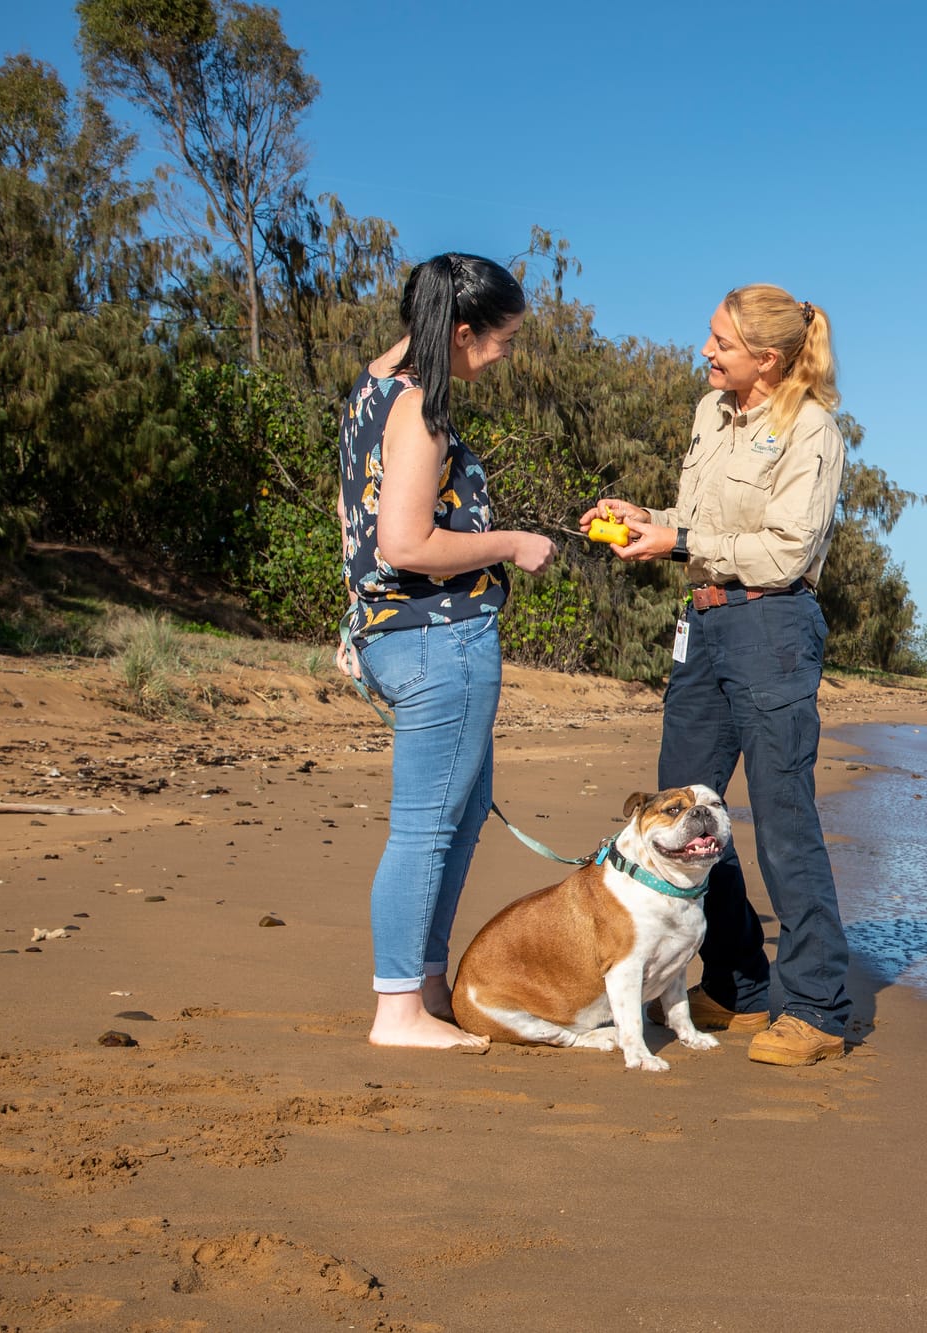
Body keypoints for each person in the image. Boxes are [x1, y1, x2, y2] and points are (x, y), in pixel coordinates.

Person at [582, 284, 849, 1066]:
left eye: (721, 343)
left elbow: (786, 551)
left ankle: (819, 1007)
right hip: (700, 627)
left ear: (766, 358)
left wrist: (678, 539)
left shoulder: (814, 430)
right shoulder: (710, 414)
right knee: (685, 817)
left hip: (773, 630)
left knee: (783, 823)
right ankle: (738, 984)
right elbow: (698, 523)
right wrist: (651, 521)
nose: (706, 352)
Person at [335, 253, 556, 1049]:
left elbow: (348, 515)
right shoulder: (420, 408)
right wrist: (513, 542)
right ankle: (398, 1008)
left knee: (454, 821)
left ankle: (425, 982)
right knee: (429, 827)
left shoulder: (373, 387)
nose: (504, 354)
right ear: (462, 331)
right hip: (438, 641)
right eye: (502, 340)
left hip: (401, 638)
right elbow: (402, 539)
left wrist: (356, 616)